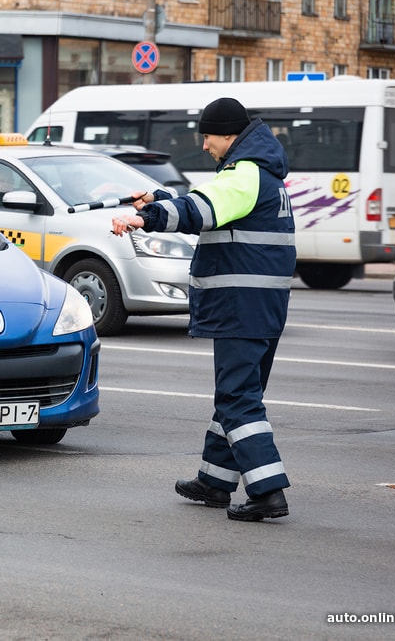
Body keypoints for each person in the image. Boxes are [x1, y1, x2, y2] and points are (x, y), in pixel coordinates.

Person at [111, 97, 295, 522]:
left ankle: (268, 491)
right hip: (260, 306)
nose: (206, 145)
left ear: (229, 134)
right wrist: (157, 197)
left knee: (238, 399)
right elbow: (213, 204)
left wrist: (147, 217)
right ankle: (214, 481)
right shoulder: (259, 174)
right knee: (235, 394)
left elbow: (201, 210)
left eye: (208, 136)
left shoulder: (244, 172)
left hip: (241, 307)